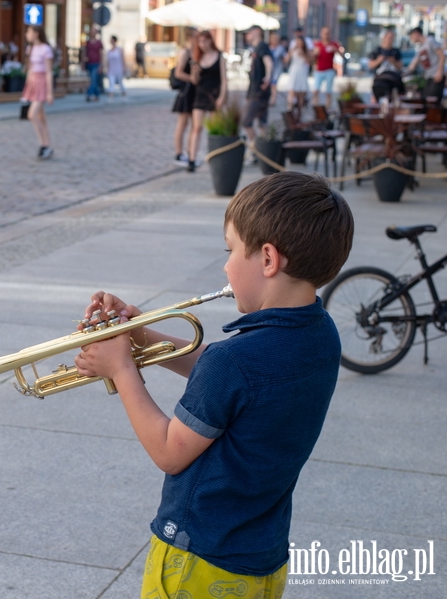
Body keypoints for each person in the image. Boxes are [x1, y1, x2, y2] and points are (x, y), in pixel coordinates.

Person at [74, 171, 354, 598]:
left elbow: (169, 452)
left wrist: (122, 372)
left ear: (267, 259)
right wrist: (141, 335)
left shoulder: (234, 362)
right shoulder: (321, 334)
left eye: (230, 251)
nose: (225, 265)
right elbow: (234, 382)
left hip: (196, 560)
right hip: (263, 557)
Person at [186, 31, 226, 173]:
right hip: (200, 94)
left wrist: (222, 96)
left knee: (214, 129)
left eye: (205, 41)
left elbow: (224, 80)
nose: (203, 44)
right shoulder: (197, 57)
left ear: (210, 40)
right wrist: (195, 72)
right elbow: (194, 81)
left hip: (214, 94)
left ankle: (215, 157)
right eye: (200, 41)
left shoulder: (219, 55)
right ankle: (192, 159)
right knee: (197, 127)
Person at [21, 25, 54, 160]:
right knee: (41, 117)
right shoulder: (31, 49)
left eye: (28, 32)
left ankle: (43, 145)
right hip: (33, 83)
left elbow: (48, 72)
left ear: (36, 34)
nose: (26, 34)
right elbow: (30, 69)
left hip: (42, 83)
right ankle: (47, 145)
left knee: (31, 115)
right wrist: (26, 89)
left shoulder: (45, 49)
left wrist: (50, 92)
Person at [242, 26, 273, 164]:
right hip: (255, 91)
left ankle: (256, 151)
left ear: (257, 32)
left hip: (259, 92)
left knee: (247, 122)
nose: (247, 35)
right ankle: (263, 153)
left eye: (250, 32)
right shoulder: (255, 48)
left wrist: (268, 77)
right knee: (262, 123)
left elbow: (269, 63)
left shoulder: (262, 47)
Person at [171, 28, 197, 166]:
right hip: (186, 92)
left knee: (195, 125)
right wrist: (191, 78)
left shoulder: (196, 52)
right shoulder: (185, 52)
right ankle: (179, 153)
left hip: (195, 93)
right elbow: (178, 73)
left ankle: (189, 153)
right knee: (182, 124)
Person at [407, 27, 445, 101]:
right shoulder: (420, 48)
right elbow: (413, 63)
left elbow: (442, 55)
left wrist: (440, 72)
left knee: (433, 102)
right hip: (428, 77)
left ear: (417, 33)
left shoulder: (430, 41)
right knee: (425, 99)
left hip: (436, 76)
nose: (411, 38)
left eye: (411, 36)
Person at [312, 27, 343, 110]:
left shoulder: (334, 44)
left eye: (327, 33)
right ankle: (316, 108)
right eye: (324, 33)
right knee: (315, 91)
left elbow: (342, 56)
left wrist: (336, 50)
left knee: (328, 92)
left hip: (329, 70)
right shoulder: (317, 45)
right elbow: (312, 59)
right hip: (319, 70)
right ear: (321, 34)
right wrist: (315, 54)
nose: (326, 35)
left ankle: (327, 109)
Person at [369, 30, 404, 103]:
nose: (390, 40)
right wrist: (379, 60)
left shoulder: (396, 51)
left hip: (394, 79)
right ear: (384, 38)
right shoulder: (377, 50)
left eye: (392, 38)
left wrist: (393, 61)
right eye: (389, 37)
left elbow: (400, 66)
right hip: (380, 78)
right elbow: (370, 65)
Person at [287, 36, 311, 113]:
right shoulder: (293, 50)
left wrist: (303, 55)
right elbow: (286, 60)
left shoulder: (306, 51)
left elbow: (309, 62)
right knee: (292, 91)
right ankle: (289, 109)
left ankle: (300, 111)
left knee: (301, 93)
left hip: (302, 71)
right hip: (294, 71)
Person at [105, 36, 126, 101]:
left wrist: (124, 67)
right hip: (111, 70)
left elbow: (123, 59)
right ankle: (111, 98)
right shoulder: (109, 51)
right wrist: (107, 69)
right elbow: (108, 61)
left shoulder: (119, 50)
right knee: (111, 83)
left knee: (120, 83)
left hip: (119, 69)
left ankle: (124, 96)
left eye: (112, 40)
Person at [84, 32, 104, 102]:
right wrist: (83, 62)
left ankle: (89, 94)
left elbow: (101, 53)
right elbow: (85, 52)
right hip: (89, 63)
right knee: (93, 80)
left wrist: (101, 65)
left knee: (93, 79)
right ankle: (97, 95)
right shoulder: (88, 42)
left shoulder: (99, 43)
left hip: (96, 63)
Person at [269, 32, 286, 105]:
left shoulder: (280, 48)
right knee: (269, 84)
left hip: (277, 69)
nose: (275, 41)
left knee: (273, 84)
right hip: (269, 69)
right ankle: (270, 98)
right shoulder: (268, 47)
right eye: (273, 39)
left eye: (276, 39)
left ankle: (273, 99)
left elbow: (284, 58)